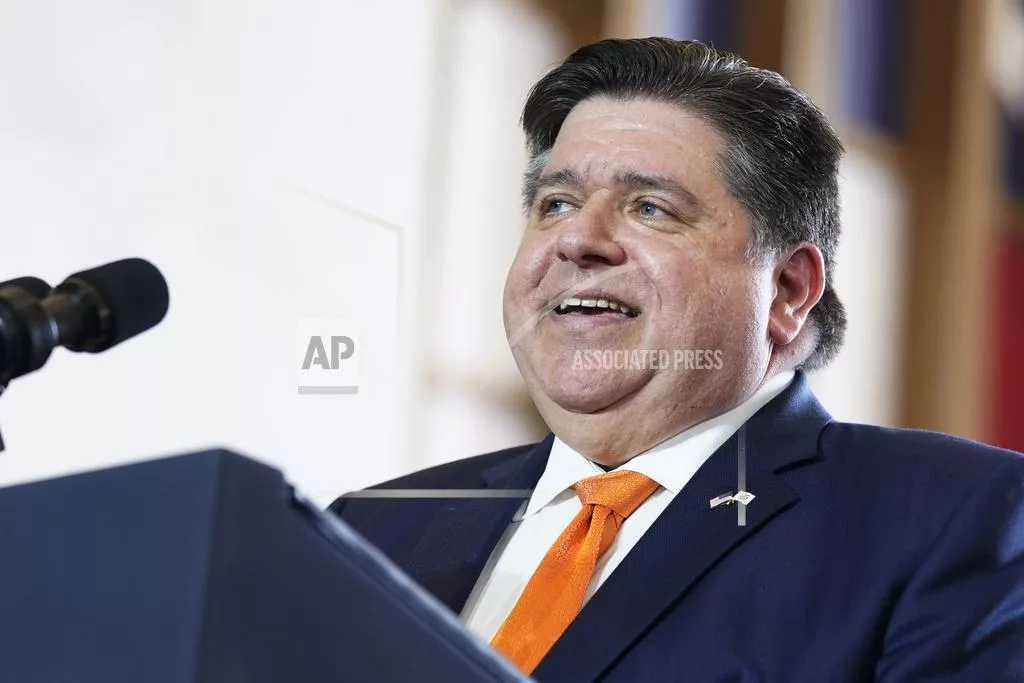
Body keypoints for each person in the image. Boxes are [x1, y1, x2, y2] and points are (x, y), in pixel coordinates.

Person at [330, 38, 1024, 682]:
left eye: (651, 209)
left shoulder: (952, 516)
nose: (578, 240)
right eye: (556, 202)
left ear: (786, 290)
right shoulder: (371, 530)